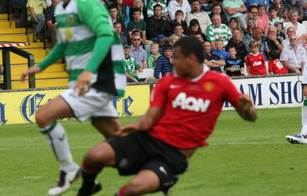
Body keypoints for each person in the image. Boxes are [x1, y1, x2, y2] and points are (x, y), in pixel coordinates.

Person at [76, 37, 256, 196]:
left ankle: (167, 179)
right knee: (93, 156)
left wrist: (247, 109)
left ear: (191, 59)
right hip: (147, 139)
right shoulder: (167, 82)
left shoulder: (220, 82)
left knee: (135, 188)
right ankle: (85, 190)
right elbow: (150, 117)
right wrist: (136, 126)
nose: (171, 62)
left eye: (176, 58)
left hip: (173, 155)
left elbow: (251, 117)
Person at [19, 0, 126, 196]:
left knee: (44, 116)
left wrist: (88, 71)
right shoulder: (65, 6)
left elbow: (106, 35)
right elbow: (64, 44)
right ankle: (158, 166)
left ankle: (69, 169)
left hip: (98, 79)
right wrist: (41, 66)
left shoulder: (86, 2)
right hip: (90, 80)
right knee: (122, 144)